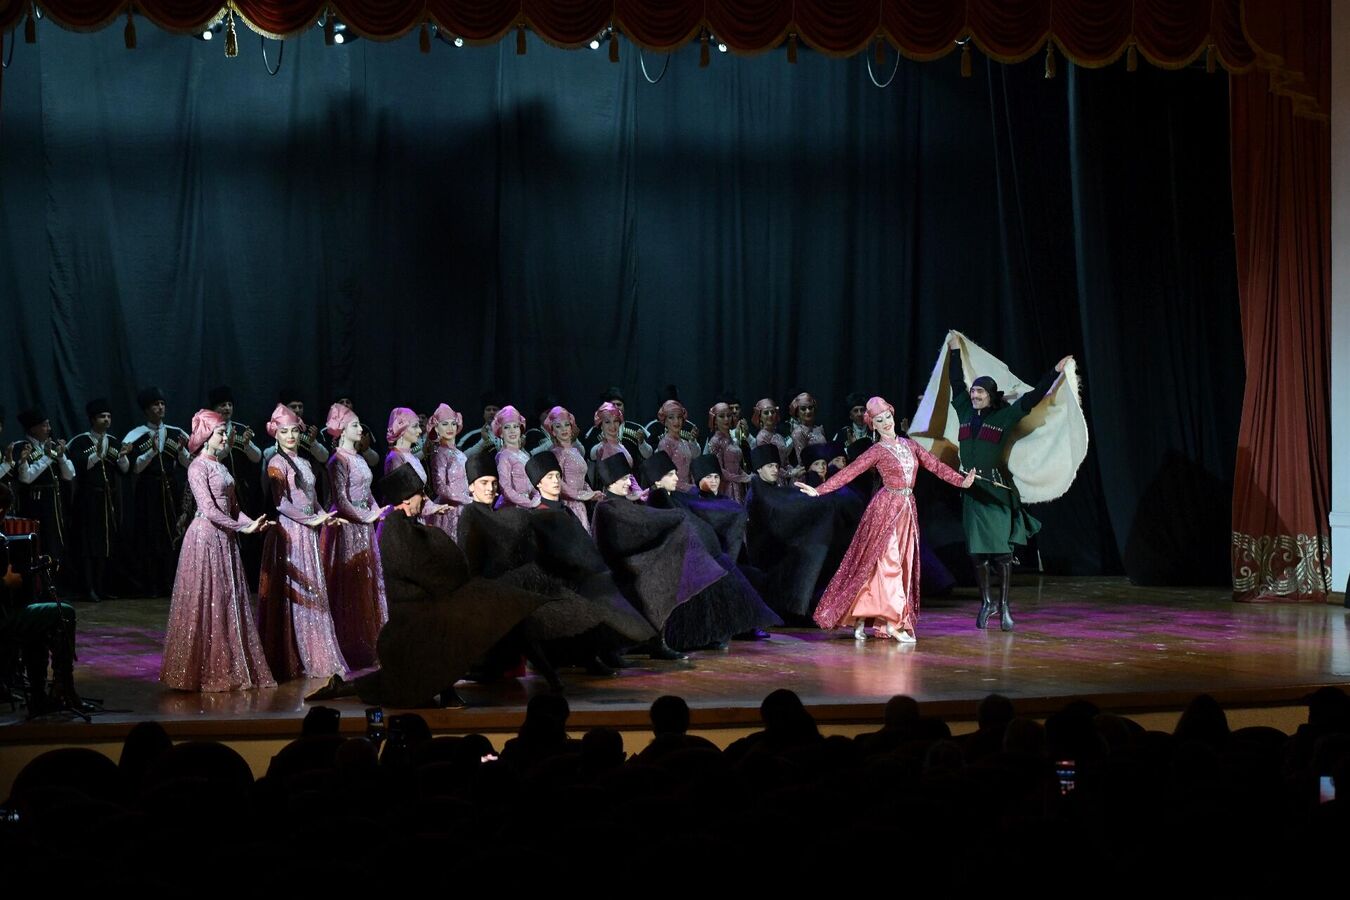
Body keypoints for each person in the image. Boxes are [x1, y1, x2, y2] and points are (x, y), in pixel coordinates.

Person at [306, 462, 545, 708]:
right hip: (411, 611)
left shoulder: (411, 525)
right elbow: (414, 565)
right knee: (435, 642)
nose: (424, 499)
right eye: (420, 494)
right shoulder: (395, 526)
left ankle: (447, 690)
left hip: (426, 603)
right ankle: (441, 692)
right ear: (406, 499)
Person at [799, 396, 974, 643]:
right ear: (874, 425)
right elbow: (850, 472)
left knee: (892, 564)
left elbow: (935, 465)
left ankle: (861, 617)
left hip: (907, 509)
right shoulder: (877, 451)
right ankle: (893, 623)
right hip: (886, 508)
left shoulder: (910, 445)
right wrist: (819, 490)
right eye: (879, 420)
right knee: (888, 563)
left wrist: (961, 481)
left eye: (888, 417)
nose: (886, 422)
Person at [945, 332, 1073, 631]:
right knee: (977, 554)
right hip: (972, 493)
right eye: (973, 391)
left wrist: (1054, 372)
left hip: (997, 493)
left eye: (980, 392)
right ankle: (986, 603)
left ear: (991, 395)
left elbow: (1034, 397)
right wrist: (954, 351)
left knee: (1002, 555)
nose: (974, 395)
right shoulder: (963, 409)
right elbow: (955, 382)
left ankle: (1003, 606)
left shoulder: (1004, 417)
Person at [160, 409, 275, 692]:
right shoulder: (197, 467)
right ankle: (201, 668)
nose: (226, 438)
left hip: (225, 536)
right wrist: (241, 528)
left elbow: (234, 509)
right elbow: (209, 510)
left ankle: (232, 662)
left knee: (226, 598)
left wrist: (251, 523)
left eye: (225, 433)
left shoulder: (221, 466)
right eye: (221, 433)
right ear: (206, 435)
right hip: (205, 537)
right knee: (207, 599)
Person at [256, 404, 349, 681]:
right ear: (276, 434)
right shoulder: (276, 463)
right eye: (284, 432)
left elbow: (313, 499)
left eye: (294, 431)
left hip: (308, 532)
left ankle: (316, 649)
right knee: (296, 591)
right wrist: (311, 520)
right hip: (290, 533)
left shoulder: (306, 463)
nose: (290, 436)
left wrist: (325, 517)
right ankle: (294, 652)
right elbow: (281, 503)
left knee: (313, 588)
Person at [322, 403, 388, 670]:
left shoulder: (359, 458)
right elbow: (341, 500)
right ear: (341, 430)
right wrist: (367, 517)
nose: (361, 429)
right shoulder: (337, 460)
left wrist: (377, 511)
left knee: (367, 580)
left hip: (364, 525)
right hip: (348, 527)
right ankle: (350, 645)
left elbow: (367, 492)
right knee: (350, 582)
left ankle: (369, 641)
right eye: (355, 425)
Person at [124, 387, 192, 598]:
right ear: (146, 410)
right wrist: (152, 452)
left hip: (170, 488)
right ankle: (150, 584)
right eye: (155, 405)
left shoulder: (175, 433)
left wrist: (181, 451)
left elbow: (188, 463)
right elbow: (135, 468)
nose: (160, 408)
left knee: (171, 534)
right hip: (148, 489)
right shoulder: (135, 435)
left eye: (162, 404)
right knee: (149, 535)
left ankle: (170, 582)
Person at [67, 399, 130, 602]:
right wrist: (97, 454)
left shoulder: (113, 441)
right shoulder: (80, 441)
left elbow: (124, 470)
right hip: (88, 498)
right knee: (89, 545)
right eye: (102, 416)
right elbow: (78, 466)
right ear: (93, 419)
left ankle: (102, 587)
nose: (106, 420)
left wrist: (122, 456)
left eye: (109, 416)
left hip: (107, 499)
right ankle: (88, 588)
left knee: (106, 544)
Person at [13, 408, 74, 589]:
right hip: (36, 504)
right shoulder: (22, 447)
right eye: (44, 425)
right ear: (33, 428)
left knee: (55, 542)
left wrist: (60, 457)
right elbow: (26, 478)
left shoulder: (51, 445)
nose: (49, 429)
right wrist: (47, 458)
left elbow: (69, 475)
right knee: (41, 544)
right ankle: (39, 587)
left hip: (54, 503)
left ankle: (56, 586)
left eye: (48, 425)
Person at [543, 406, 597, 532]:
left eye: (566, 425)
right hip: (567, 505)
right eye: (558, 426)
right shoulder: (557, 453)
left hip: (580, 504)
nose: (563, 429)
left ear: (571, 428)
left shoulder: (575, 450)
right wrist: (580, 495)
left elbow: (582, 478)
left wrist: (591, 493)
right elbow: (558, 482)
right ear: (553, 431)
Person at [424, 403, 472, 538]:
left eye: (453, 424)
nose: (450, 428)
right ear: (437, 428)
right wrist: (464, 498)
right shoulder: (439, 453)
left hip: (465, 506)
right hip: (450, 511)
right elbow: (439, 487)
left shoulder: (459, 453)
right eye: (445, 424)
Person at [492, 406, 540, 509]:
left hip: (528, 505)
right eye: (507, 427)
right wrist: (529, 503)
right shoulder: (503, 456)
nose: (512, 431)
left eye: (515, 426)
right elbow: (505, 488)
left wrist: (536, 495)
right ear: (501, 433)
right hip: (512, 509)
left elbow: (530, 482)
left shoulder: (523, 454)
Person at [706, 402, 752, 503]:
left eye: (729, 415)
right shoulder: (715, 441)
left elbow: (737, 466)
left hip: (738, 486)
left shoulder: (731, 438)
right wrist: (742, 478)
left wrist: (746, 476)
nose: (726, 419)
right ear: (714, 420)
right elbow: (719, 471)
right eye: (722, 416)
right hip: (726, 488)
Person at [655, 399, 700, 491]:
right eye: (671, 417)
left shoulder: (685, 442)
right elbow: (666, 476)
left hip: (688, 490)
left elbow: (694, 459)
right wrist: (689, 488)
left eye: (679, 417)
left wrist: (693, 486)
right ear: (665, 421)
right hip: (674, 491)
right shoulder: (665, 444)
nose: (676, 421)